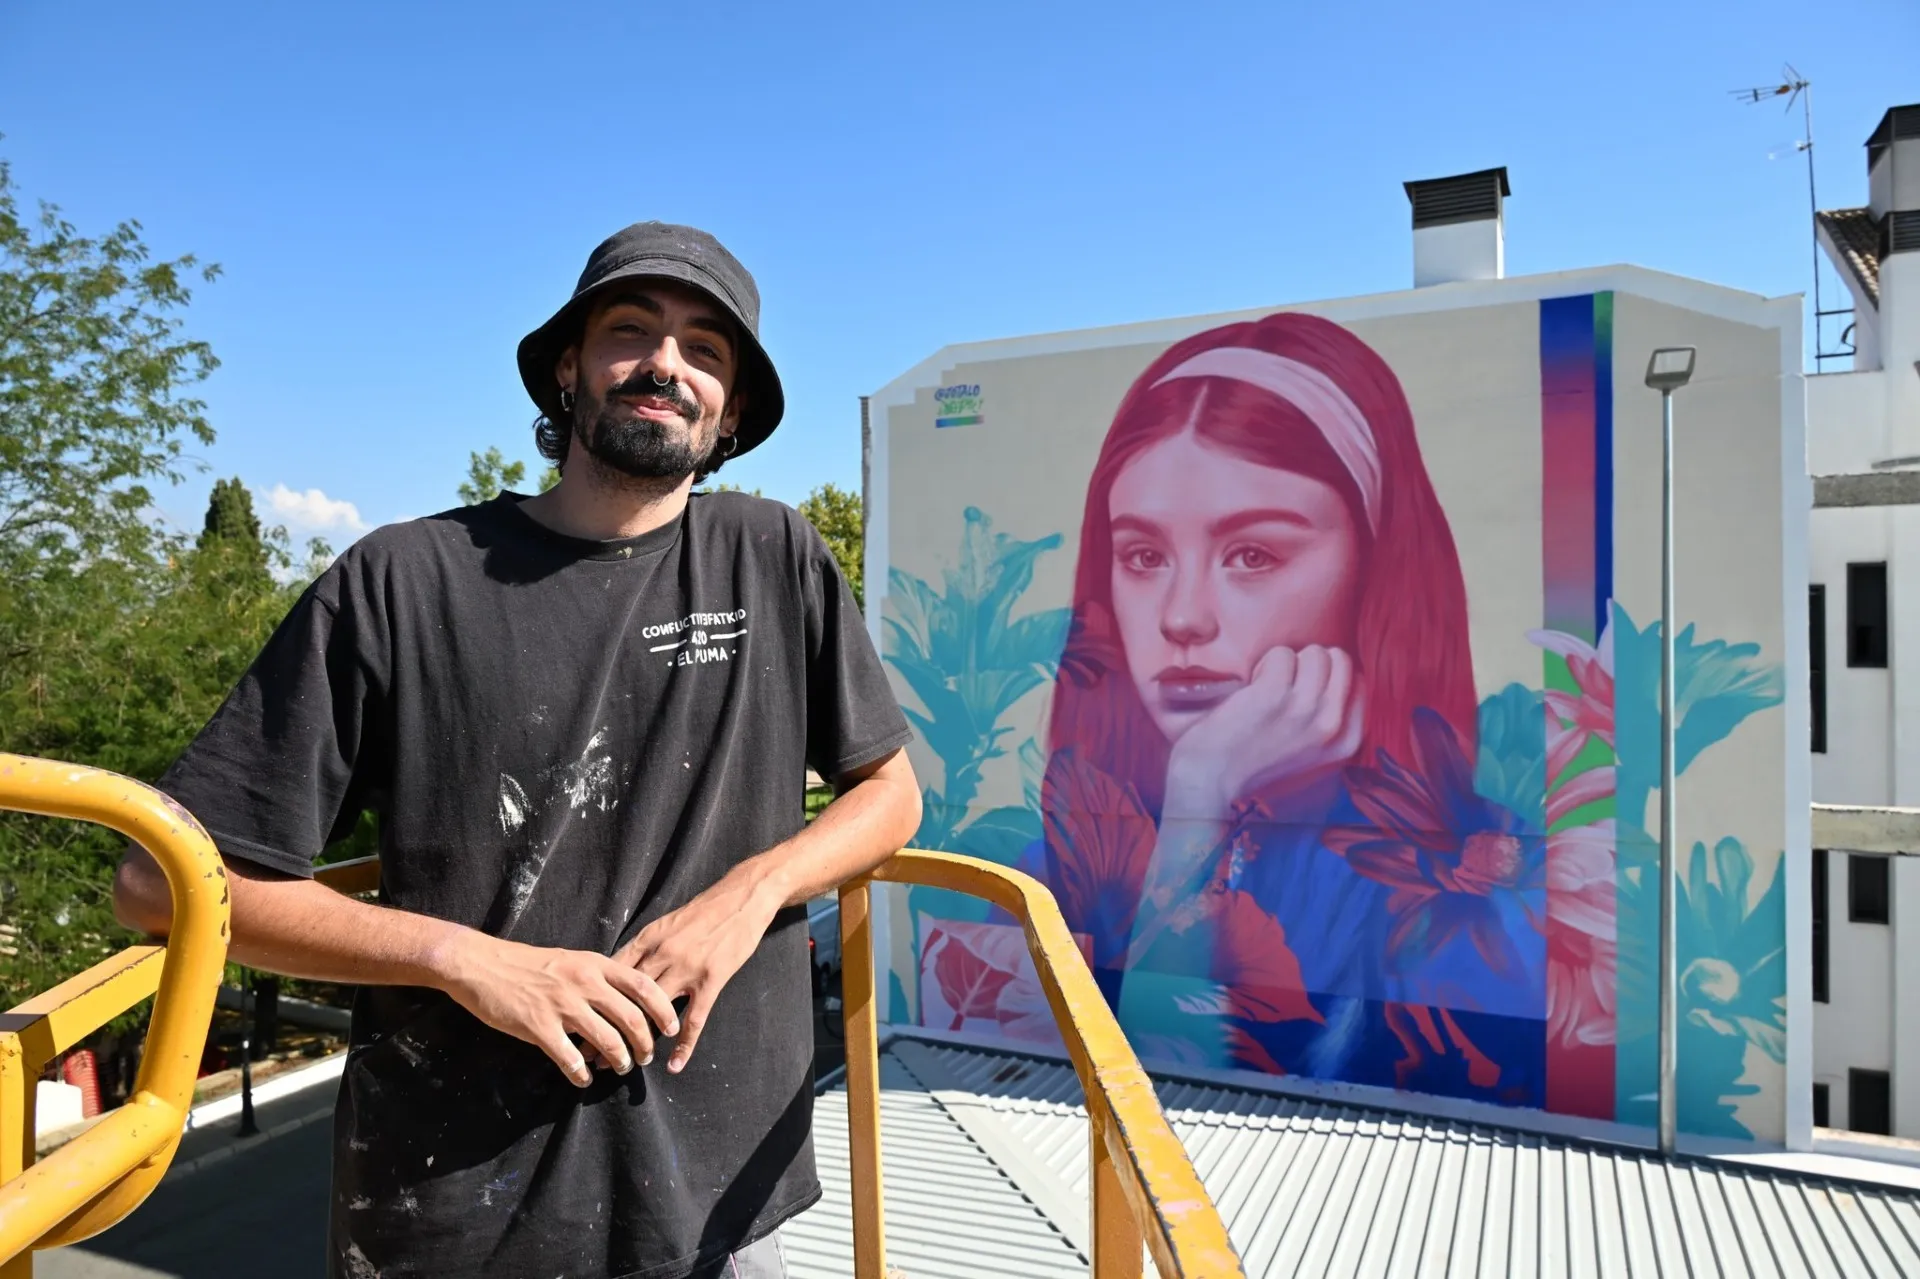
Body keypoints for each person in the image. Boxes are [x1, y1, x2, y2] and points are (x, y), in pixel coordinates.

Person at [114, 222, 921, 1279]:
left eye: (704, 349)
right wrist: (462, 958)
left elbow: (890, 793)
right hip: (455, 1207)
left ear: (729, 410)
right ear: (567, 369)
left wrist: (752, 892)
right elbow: (159, 885)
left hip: (721, 1198)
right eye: (631, 330)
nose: (666, 364)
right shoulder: (402, 580)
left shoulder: (772, 556)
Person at [1030, 310, 1546, 1102]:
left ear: (1375, 571)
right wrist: (1200, 791)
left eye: (1252, 554)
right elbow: (1128, 1097)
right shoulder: (1054, 860)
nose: (1182, 617)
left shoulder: (1476, 894)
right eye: (1143, 555)